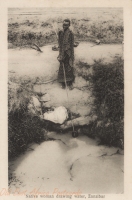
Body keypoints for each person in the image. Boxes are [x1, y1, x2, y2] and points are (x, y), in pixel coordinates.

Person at [57, 19, 75, 90]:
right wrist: (60, 54)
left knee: (69, 67)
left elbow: (71, 45)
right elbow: (60, 44)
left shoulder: (71, 34)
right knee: (62, 67)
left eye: (67, 25)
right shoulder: (60, 33)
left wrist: (72, 56)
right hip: (62, 53)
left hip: (68, 53)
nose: (65, 26)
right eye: (64, 25)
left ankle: (70, 83)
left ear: (69, 25)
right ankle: (63, 83)